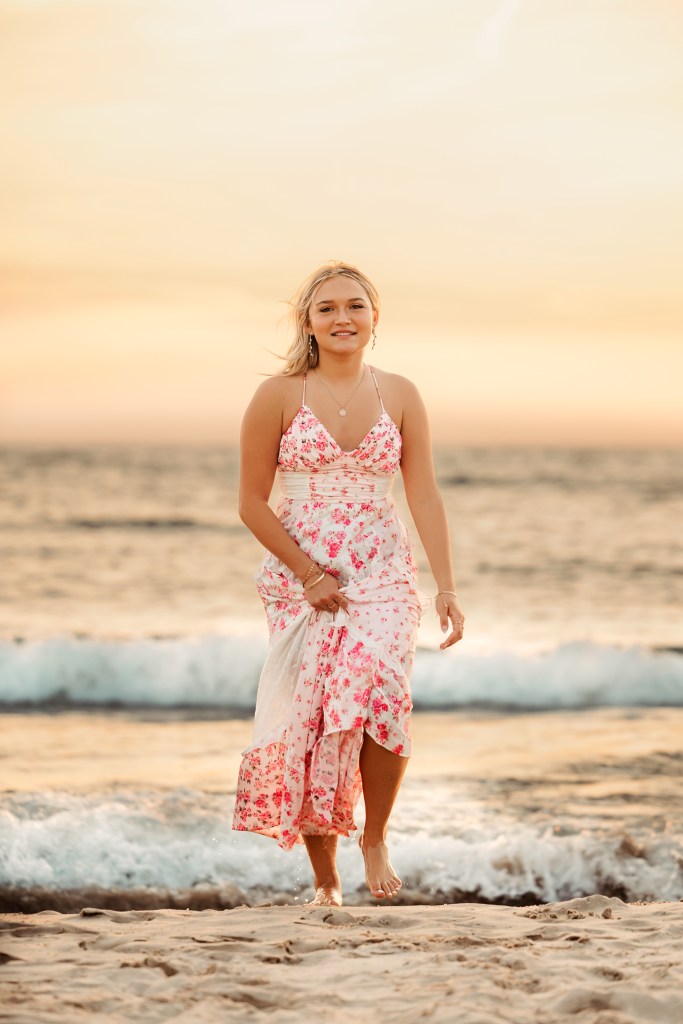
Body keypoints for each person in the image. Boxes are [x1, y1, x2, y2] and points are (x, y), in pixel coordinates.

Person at [233, 260, 464, 906]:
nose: (342, 318)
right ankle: (325, 879)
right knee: (313, 715)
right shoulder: (277, 396)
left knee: (384, 692)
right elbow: (251, 502)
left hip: (382, 568)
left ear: (374, 317)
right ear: (307, 321)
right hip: (300, 570)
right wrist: (307, 575)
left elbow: (422, 494)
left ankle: (374, 837)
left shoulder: (401, 393)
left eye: (354, 306)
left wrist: (445, 586)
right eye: (328, 308)